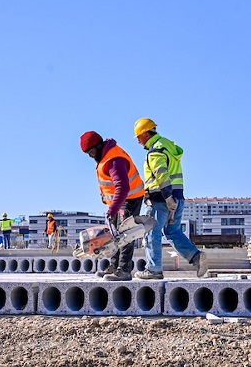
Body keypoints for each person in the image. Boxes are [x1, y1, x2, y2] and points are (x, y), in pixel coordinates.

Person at [131, 118, 208, 279]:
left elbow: (161, 175)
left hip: (162, 200)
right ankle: (196, 256)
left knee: (152, 232)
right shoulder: (168, 145)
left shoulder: (155, 151)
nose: (138, 141)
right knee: (172, 231)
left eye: (138, 136)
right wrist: (172, 199)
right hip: (178, 198)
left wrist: (167, 198)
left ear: (146, 134)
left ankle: (154, 270)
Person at [80, 131, 145, 280]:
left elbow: (123, 187)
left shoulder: (114, 159)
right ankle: (114, 266)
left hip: (130, 198)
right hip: (119, 201)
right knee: (114, 234)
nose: (90, 155)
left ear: (98, 145)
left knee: (125, 235)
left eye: (91, 151)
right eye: (87, 153)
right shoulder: (104, 156)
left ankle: (124, 270)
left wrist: (112, 209)